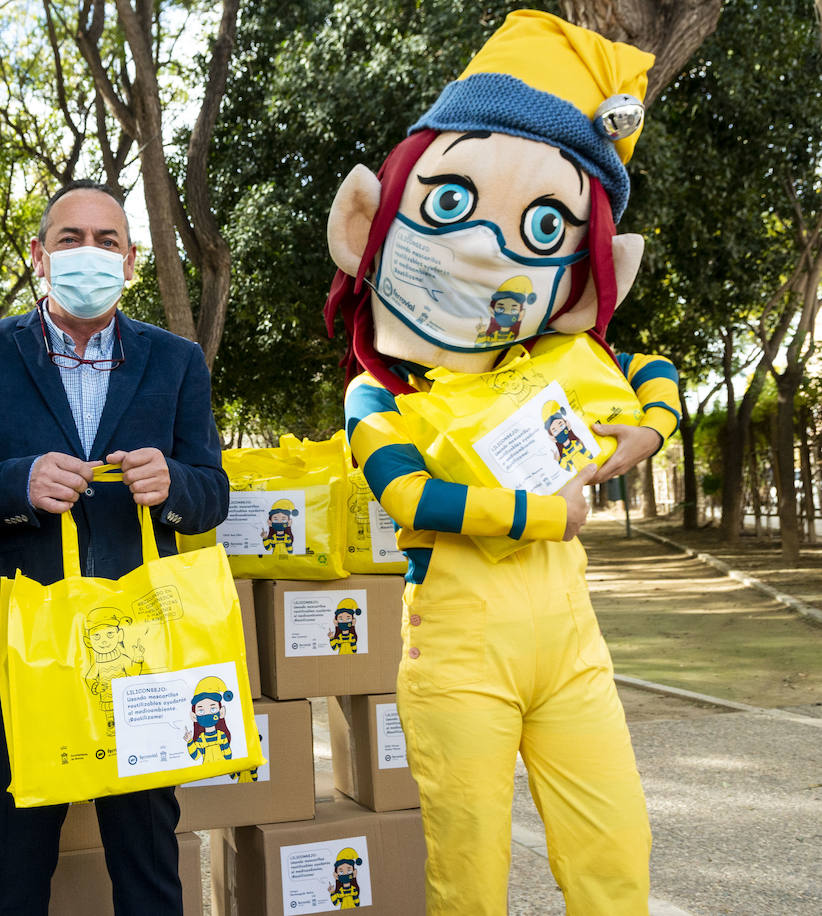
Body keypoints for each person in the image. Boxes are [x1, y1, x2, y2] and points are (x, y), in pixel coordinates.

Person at [324, 12, 680, 915]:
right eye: (450, 205)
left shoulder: (546, 361)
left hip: (570, 649)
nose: (485, 251)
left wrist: (652, 430)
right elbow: (407, 493)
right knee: (469, 866)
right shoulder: (379, 396)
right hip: (456, 656)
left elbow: (646, 372)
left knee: (614, 847)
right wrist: (539, 516)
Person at [0, 179, 229, 915]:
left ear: (130, 262)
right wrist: (16, 484)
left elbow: (213, 493)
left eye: (107, 241)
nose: (88, 253)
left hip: (142, 656)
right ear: (40, 254)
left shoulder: (177, 360)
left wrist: (176, 484)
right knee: (11, 870)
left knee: (149, 866)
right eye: (70, 239)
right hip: (20, 653)